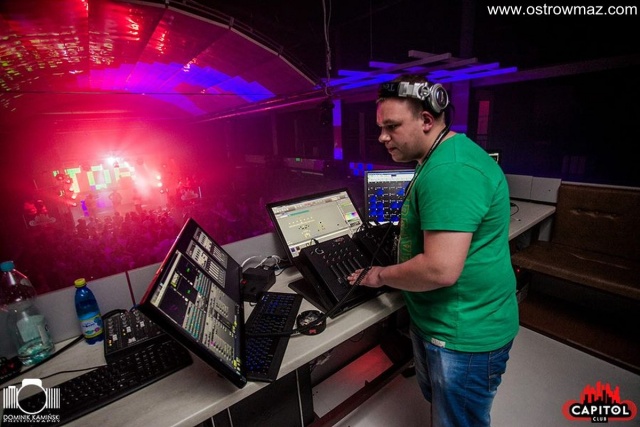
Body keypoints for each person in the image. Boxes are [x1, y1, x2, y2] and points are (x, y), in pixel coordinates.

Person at [347, 74, 519, 427]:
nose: (382, 137)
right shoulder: (443, 155)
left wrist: (380, 275)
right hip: (445, 323)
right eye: (380, 127)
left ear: (426, 120)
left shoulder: (450, 171)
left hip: (463, 334)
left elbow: (440, 269)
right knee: (445, 410)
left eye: (392, 126)